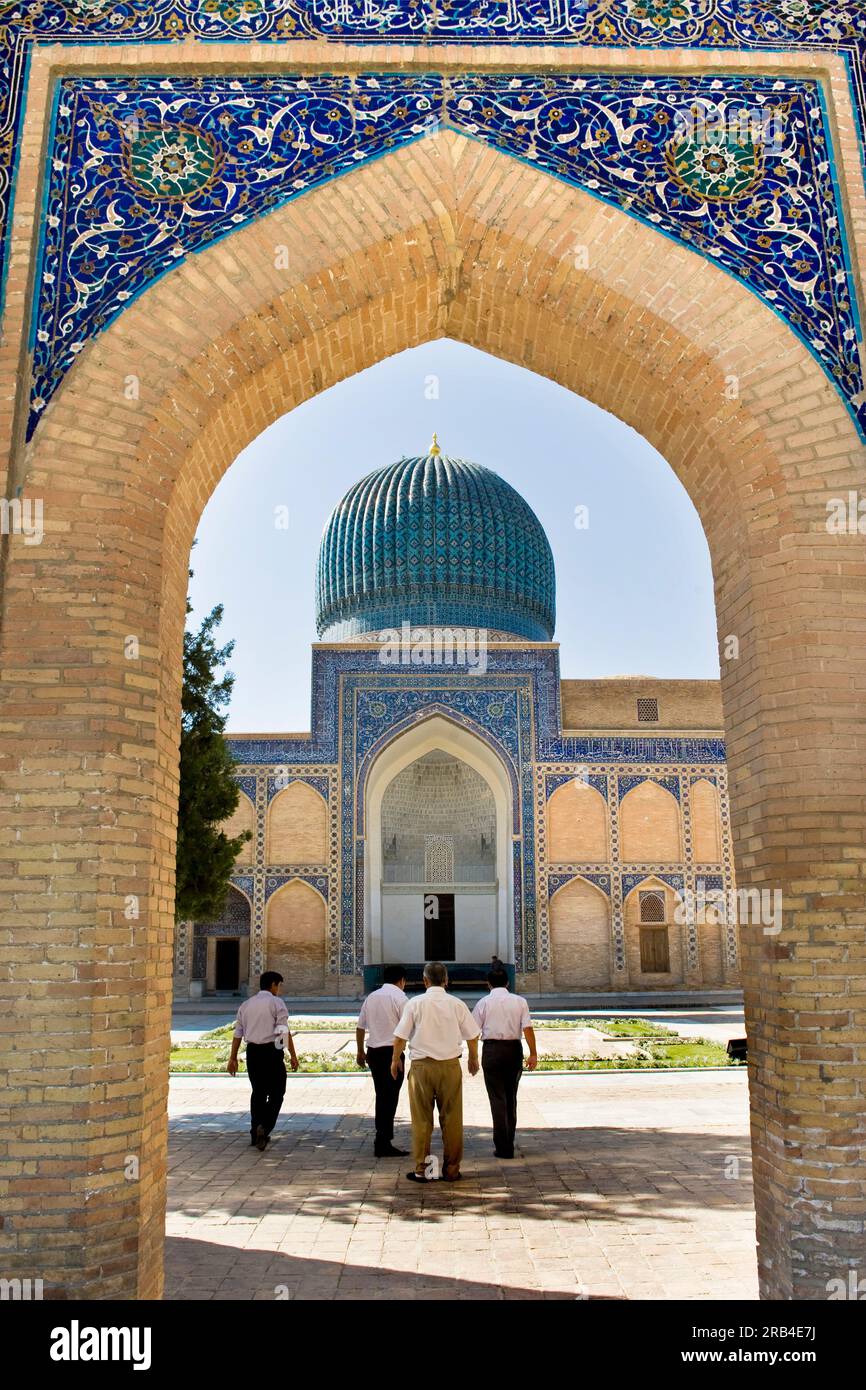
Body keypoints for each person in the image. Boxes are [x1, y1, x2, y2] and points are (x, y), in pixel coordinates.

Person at [391, 961, 480, 1183]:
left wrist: (395, 1060)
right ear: (447, 980)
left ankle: (425, 1170)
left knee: (422, 1120)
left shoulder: (415, 1003)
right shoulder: (456, 1004)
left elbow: (400, 1037)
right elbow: (472, 1034)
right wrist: (474, 1058)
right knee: (452, 1118)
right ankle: (451, 1170)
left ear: (424, 980)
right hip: (450, 1066)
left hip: (422, 1068)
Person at [227, 970, 299, 1151]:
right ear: (273, 985)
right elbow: (283, 1029)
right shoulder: (276, 1003)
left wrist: (233, 1057)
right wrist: (290, 1054)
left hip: (252, 1053)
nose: (280, 989)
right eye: (279, 985)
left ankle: (254, 1132)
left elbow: (238, 1033)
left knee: (258, 1092)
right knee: (277, 1093)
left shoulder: (246, 1004)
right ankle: (264, 1127)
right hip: (271, 1052)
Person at [472, 967, 537, 1159]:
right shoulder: (519, 1001)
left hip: (492, 1051)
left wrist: (473, 1057)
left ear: (488, 984)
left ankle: (502, 1146)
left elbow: (473, 1032)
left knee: (497, 1099)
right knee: (511, 1097)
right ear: (507, 983)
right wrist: (533, 1053)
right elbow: (527, 1029)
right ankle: (508, 1142)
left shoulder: (484, 1003)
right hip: (513, 1051)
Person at [356, 964, 409, 1157]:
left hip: (374, 1053)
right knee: (390, 1098)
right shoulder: (400, 998)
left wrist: (360, 1051)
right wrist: (398, 1057)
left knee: (381, 1095)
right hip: (391, 1054)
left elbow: (360, 1027)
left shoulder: (372, 997)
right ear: (402, 980)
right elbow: (405, 1030)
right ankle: (383, 1141)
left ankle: (382, 1138)